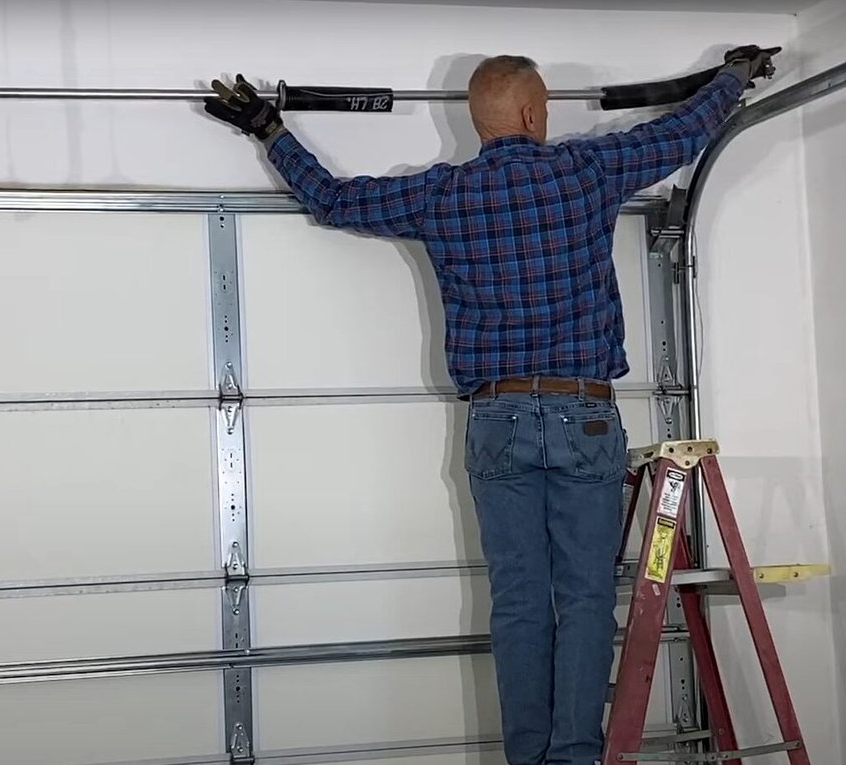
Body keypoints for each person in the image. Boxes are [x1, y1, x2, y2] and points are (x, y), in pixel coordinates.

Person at [203, 47, 778, 765]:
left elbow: (334, 200)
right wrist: (733, 77)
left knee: (518, 603)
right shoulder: (585, 171)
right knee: (586, 598)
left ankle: (526, 756)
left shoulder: (444, 194)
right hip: (585, 415)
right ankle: (573, 754)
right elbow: (682, 132)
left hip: (496, 420)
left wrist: (269, 128)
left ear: (480, 122)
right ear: (535, 113)